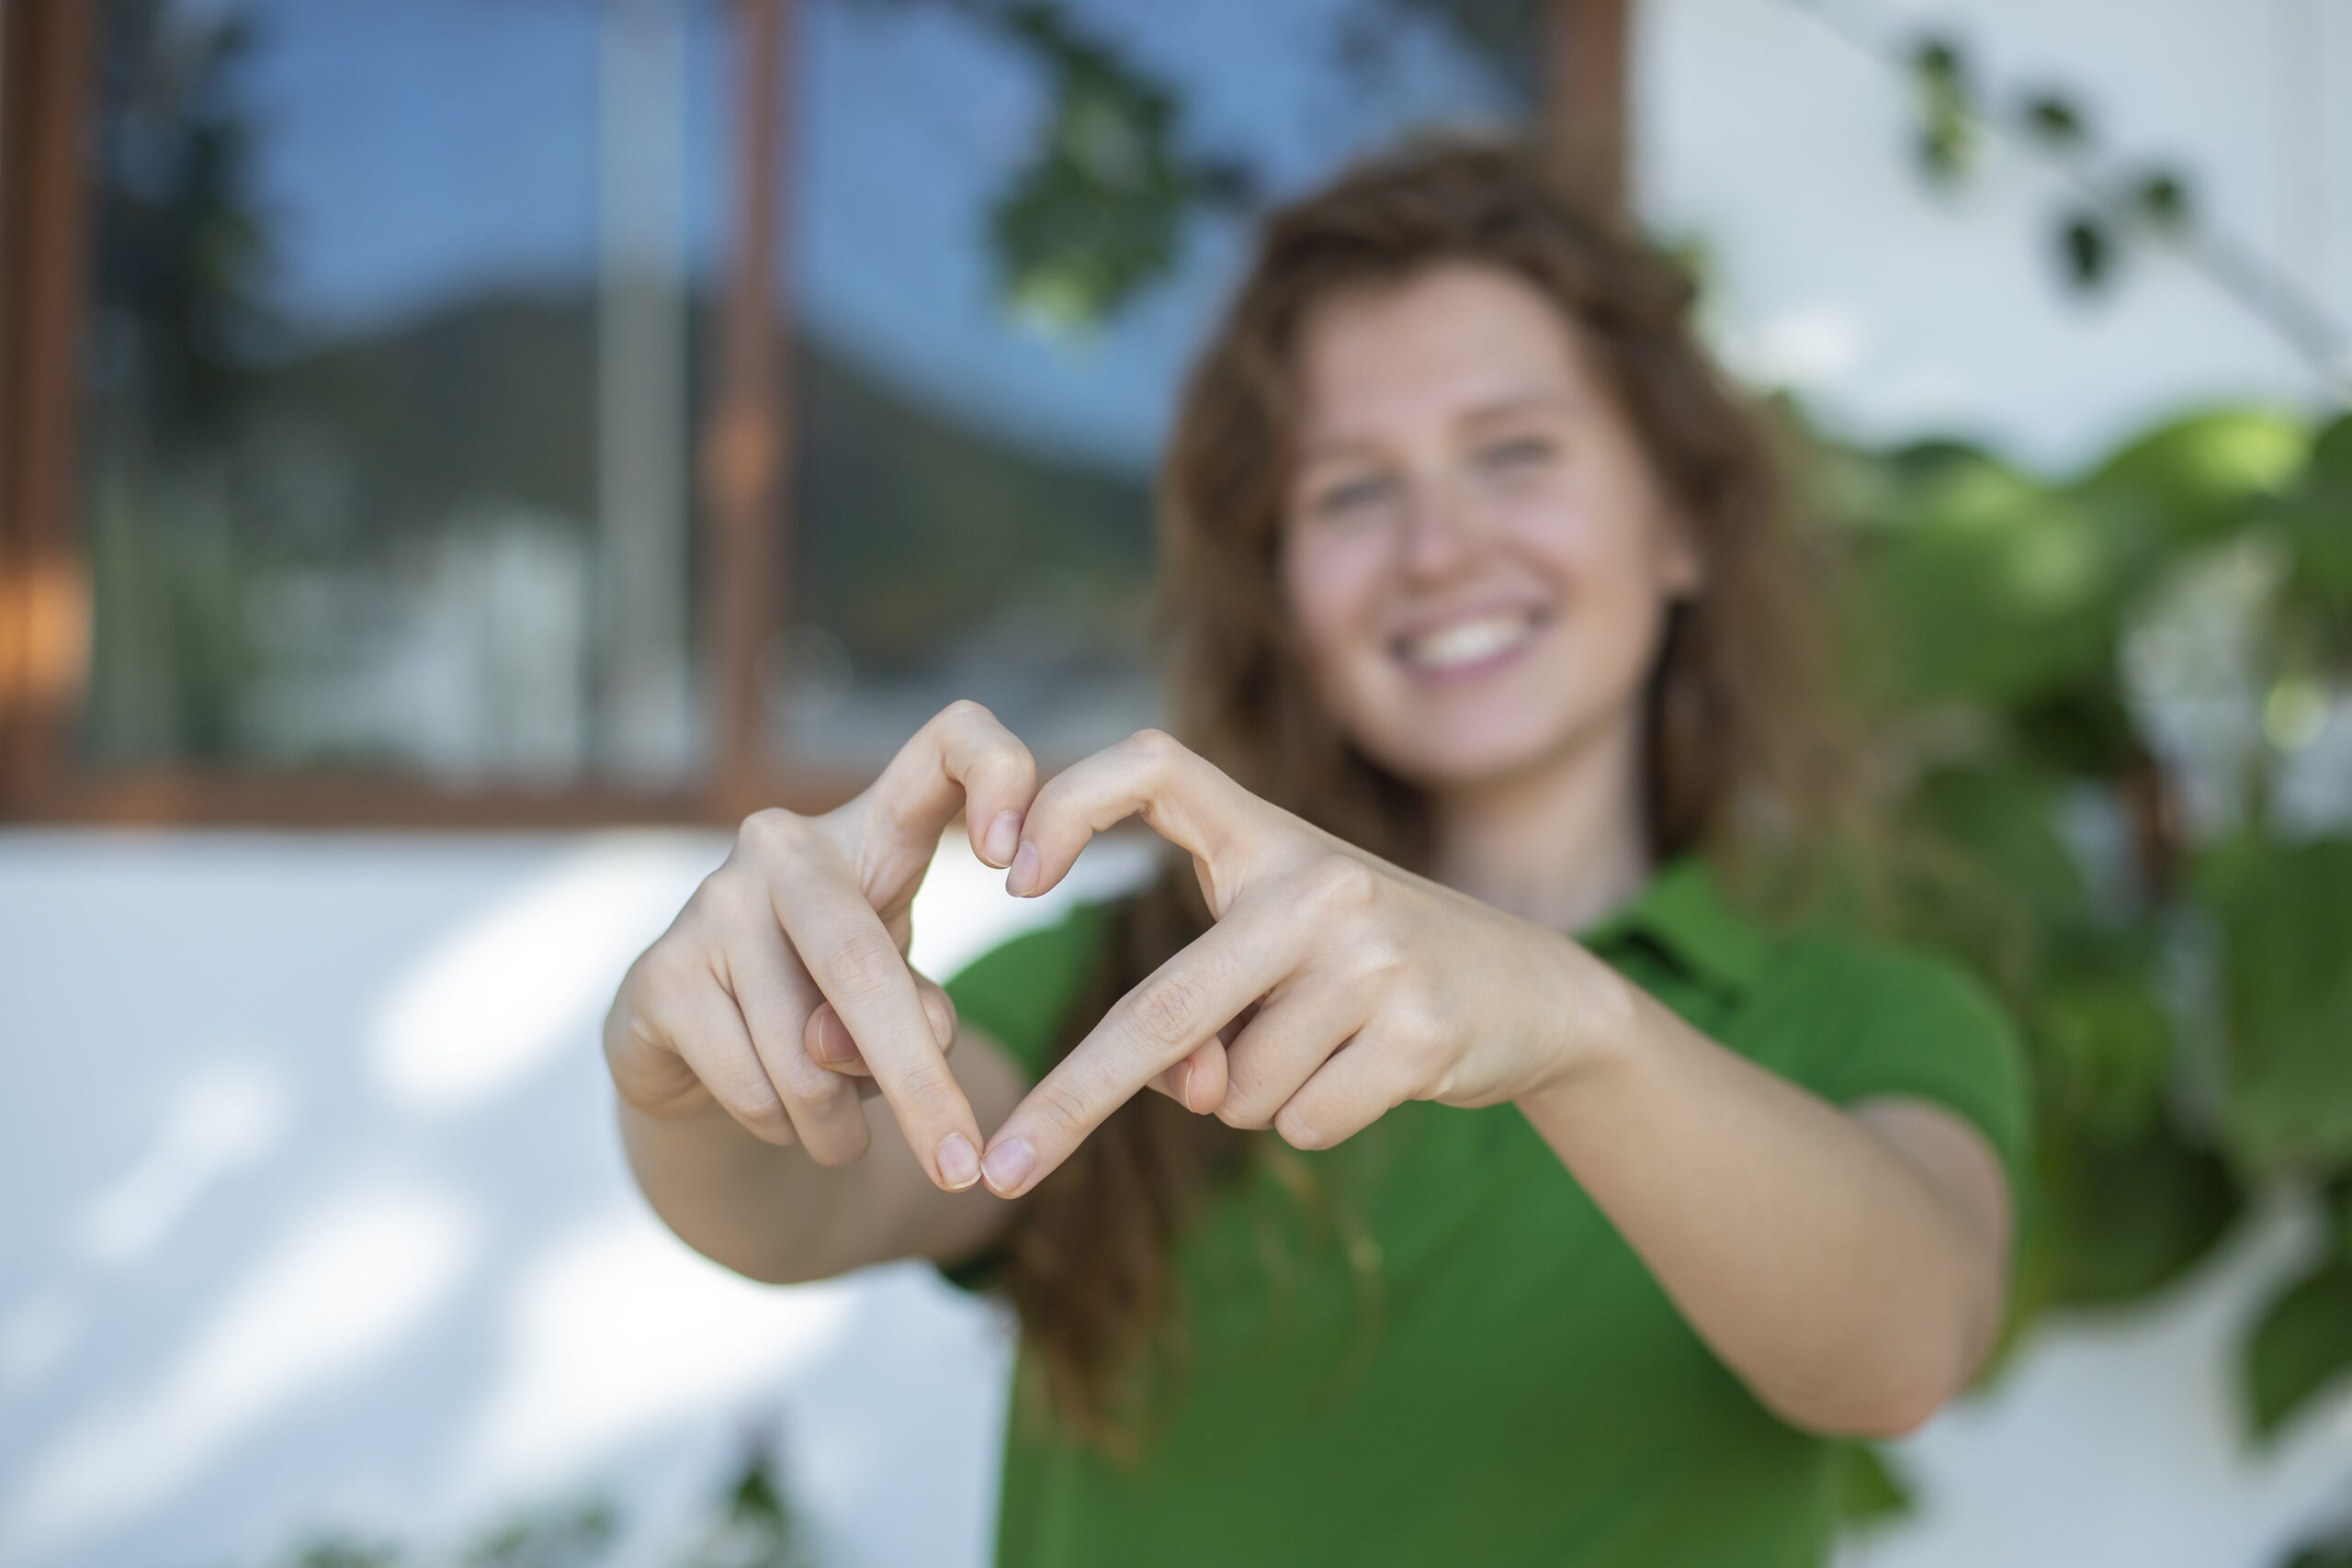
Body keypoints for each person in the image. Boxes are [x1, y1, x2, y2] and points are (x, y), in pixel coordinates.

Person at [603, 136, 2027, 1567]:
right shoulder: (1135, 984)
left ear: (1681, 525)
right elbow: (808, 1200)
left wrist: (1578, 1024)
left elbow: (1904, 1347)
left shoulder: (1866, 1012)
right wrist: (695, 1069)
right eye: (1351, 490)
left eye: (1515, 452)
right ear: (1279, 586)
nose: (1436, 548)